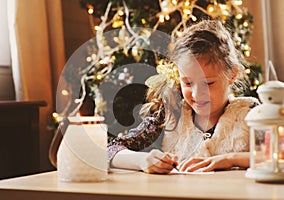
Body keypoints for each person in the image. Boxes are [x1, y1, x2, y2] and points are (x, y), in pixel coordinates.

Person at [107, 20, 259, 174]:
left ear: (232, 75)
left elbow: (279, 155)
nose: (196, 94)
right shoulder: (170, 116)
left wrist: (230, 159)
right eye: (187, 83)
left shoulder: (252, 115)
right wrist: (142, 160)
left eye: (208, 83)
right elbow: (111, 150)